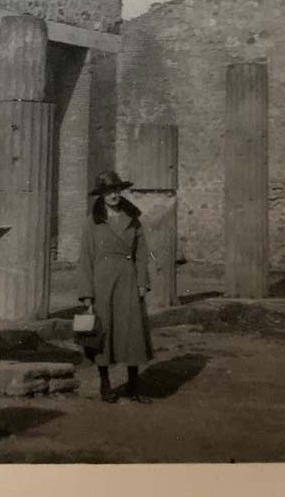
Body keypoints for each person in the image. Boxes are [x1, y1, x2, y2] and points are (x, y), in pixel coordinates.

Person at [77, 170, 155, 403]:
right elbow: (85, 259)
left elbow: (142, 254)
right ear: (101, 195)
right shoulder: (92, 221)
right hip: (102, 283)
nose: (113, 195)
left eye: (117, 190)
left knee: (131, 331)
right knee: (103, 333)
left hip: (128, 281)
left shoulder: (132, 218)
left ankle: (133, 386)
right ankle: (105, 385)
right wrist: (87, 295)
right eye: (108, 191)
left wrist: (142, 283)